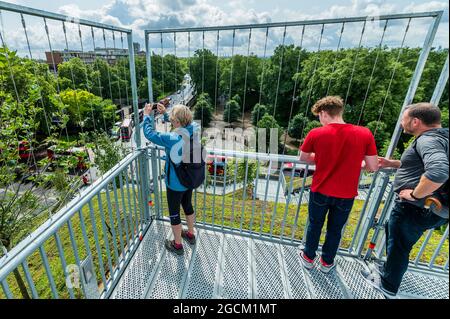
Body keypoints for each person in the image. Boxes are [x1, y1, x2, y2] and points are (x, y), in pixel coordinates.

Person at [361, 102, 449, 298]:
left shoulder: (428, 140)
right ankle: (390, 270)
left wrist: (414, 195)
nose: (402, 123)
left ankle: (388, 286)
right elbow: (424, 165)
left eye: (404, 119)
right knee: (397, 240)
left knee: (399, 246)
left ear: (416, 121)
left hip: (415, 207)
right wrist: (396, 163)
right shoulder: (443, 138)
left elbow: (438, 171)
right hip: (436, 209)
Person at [299, 96, 379, 273]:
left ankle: (308, 258)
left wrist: (321, 158)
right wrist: (357, 163)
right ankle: (327, 263)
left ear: (323, 113)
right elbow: (373, 166)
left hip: (320, 190)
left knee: (315, 224)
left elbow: (303, 158)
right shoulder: (364, 133)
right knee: (335, 230)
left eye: (319, 116)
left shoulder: (316, 133)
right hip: (346, 194)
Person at [142, 102, 200, 255]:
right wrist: (167, 114)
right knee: (187, 205)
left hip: (175, 183)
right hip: (189, 179)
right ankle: (190, 234)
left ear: (178, 122)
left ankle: (177, 245)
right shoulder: (195, 128)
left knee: (174, 213)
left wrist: (147, 117)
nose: (172, 123)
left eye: (173, 121)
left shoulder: (172, 138)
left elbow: (150, 134)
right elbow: (181, 124)